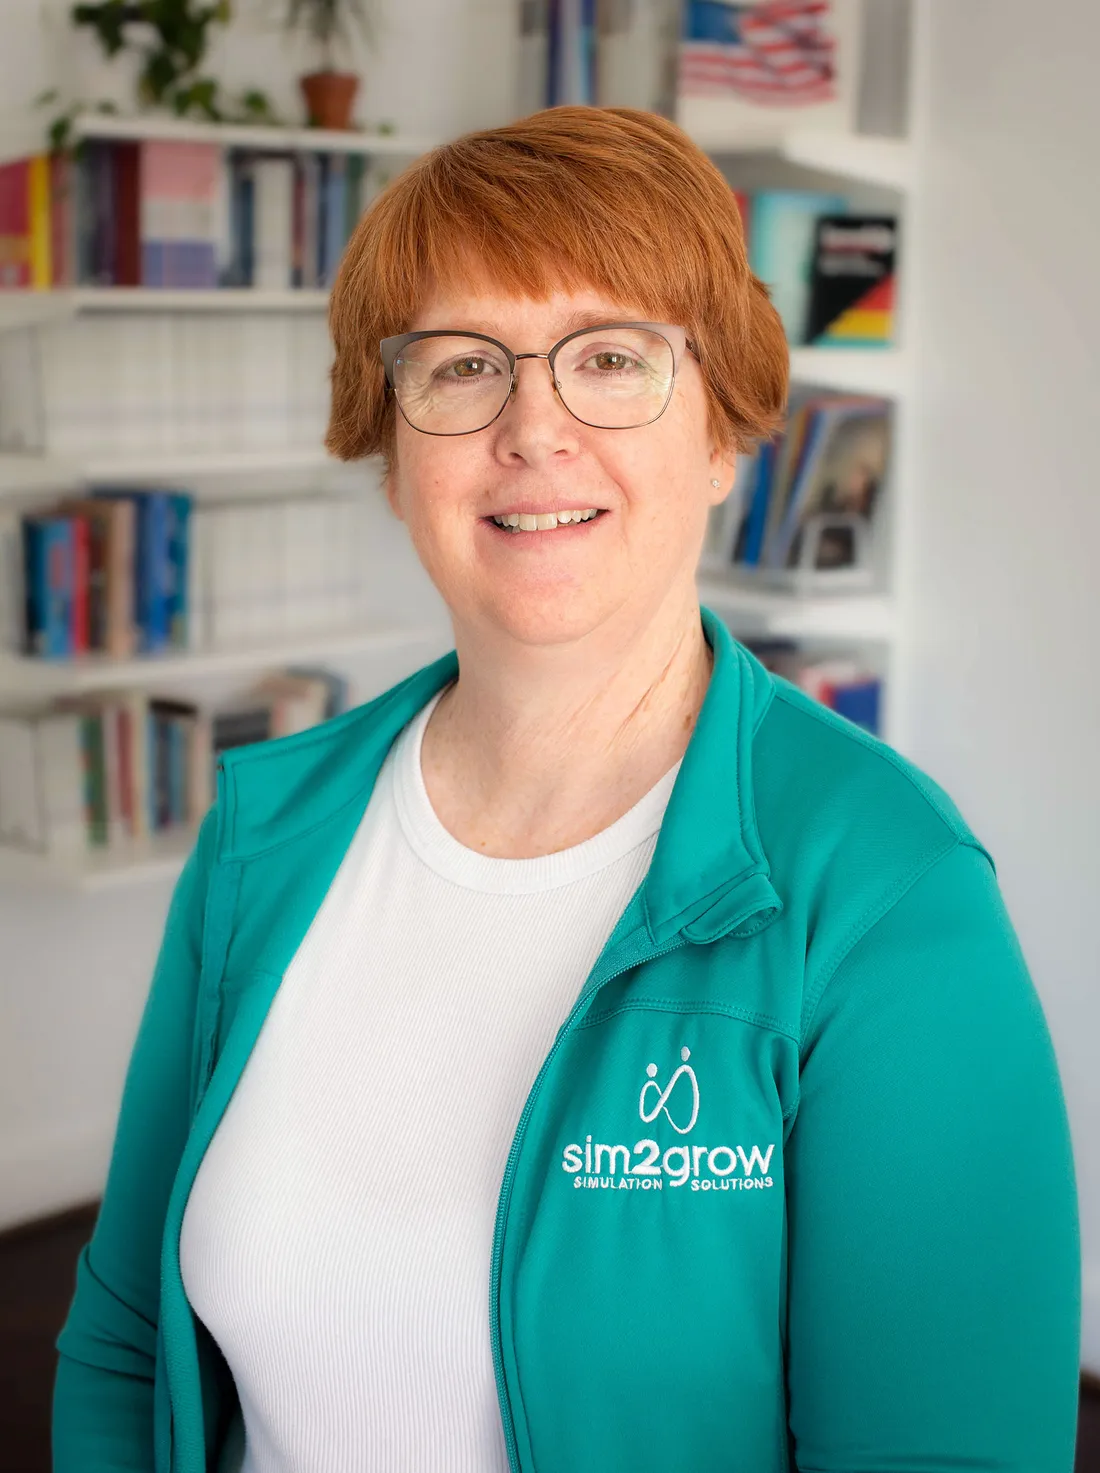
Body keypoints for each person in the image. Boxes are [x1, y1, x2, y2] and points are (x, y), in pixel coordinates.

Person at [52, 106, 1080, 1473]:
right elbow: (127, 1339)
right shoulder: (262, 839)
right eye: (464, 366)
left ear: (724, 435)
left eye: (611, 357)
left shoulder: (889, 897)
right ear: (391, 447)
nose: (534, 428)